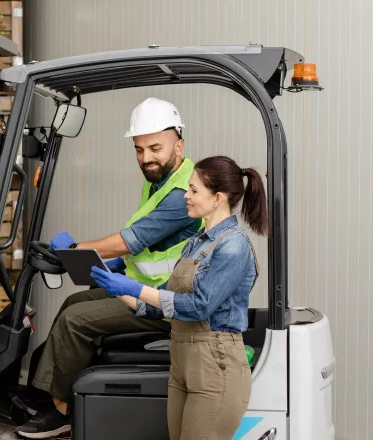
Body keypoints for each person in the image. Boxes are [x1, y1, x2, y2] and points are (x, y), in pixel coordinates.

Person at [16, 97, 203, 439]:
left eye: (155, 148)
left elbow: (131, 240)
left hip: (163, 303)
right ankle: (41, 394)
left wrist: (76, 248)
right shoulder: (160, 180)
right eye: (139, 149)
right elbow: (152, 246)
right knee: (74, 302)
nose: (146, 157)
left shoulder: (182, 192)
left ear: (179, 144)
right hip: (146, 285)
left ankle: (61, 411)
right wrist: (113, 263)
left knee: (77, 321)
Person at [90, 156, 266, 440]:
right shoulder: (197, 243)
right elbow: (165, 308)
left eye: (194, 190)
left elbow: (199, 307)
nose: (186, 195)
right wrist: (118, 288)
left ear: (218, 198)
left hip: (215, 365)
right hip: (183, 360)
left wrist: (135, 288)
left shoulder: (233, 246)